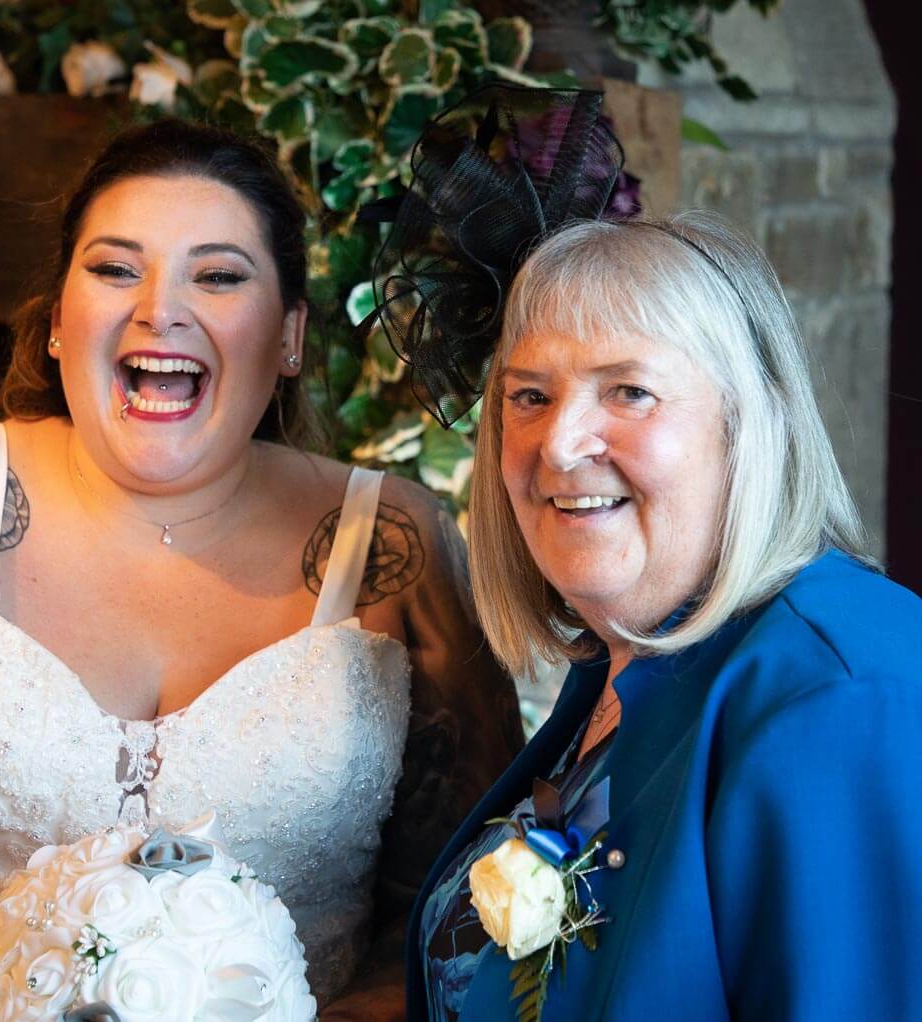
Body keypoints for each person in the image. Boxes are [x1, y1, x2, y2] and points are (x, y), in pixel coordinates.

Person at [0, 119, 523, 1021]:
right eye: (114, 269)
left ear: (290, 336)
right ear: (58, 323)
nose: (158, 310)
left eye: (218, 276)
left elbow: (469, 903)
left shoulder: (393, 548)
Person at [362, 85, 922, 1021]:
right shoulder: (621, 668)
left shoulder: (839, 694)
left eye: (628, 391)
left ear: (747, 425)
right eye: (529, 396)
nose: (559, 443)